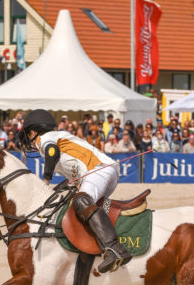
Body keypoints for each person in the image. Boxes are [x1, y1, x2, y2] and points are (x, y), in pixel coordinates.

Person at [18, 109, 131, 273]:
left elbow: (52, 152)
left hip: (98, 170)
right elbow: (73, 175)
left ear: (34, 132)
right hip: (101, 173)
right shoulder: (59, 137)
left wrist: (46, 180)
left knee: (81, 201)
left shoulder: (46, 139)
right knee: (74, 207)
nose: (29, 141)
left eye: (29, 136)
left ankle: (114, 248)